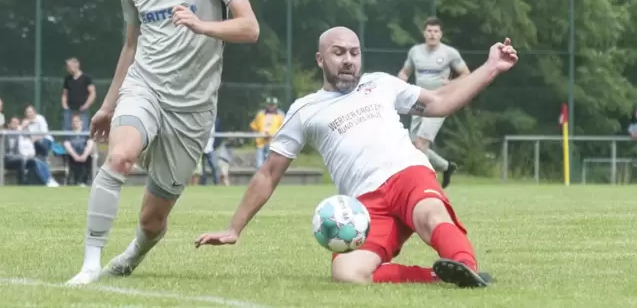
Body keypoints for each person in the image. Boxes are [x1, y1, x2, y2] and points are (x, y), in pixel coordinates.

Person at [195, 27, 518, 289]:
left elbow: (440, 103)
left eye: (354, 52)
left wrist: (491, 68)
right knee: (347, 272)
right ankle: (438, 276)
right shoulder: (304, 109)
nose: (348, 59)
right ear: (321, 59)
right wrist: (234, 228)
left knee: (430, 216)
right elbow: (269, 173)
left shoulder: (380, 83)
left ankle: (468, 268)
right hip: (364, 205)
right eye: (339, 52)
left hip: (408, 174)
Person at [66, 0, 260, 285]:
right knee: (118, 158)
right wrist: (107, 105)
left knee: (153, 220)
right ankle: (88, 264)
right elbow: (131, 46)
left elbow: (250, 27)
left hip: (193, 109)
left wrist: (202, 24)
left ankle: (134, 252)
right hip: (146, 87)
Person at [398, 17, 470, 188]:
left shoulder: (449, 53)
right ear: (424, 33)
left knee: (422, 143)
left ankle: (424, 184)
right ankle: (446, 167)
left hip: (439, 102)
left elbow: (466, 74)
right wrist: (400, 82)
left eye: (436, 31)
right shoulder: (415, 51)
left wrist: (451, 84)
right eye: (429, 31)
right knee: (414, 145)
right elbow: (405, 72)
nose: (432, 34)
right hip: (418, 101)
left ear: (441, 34)